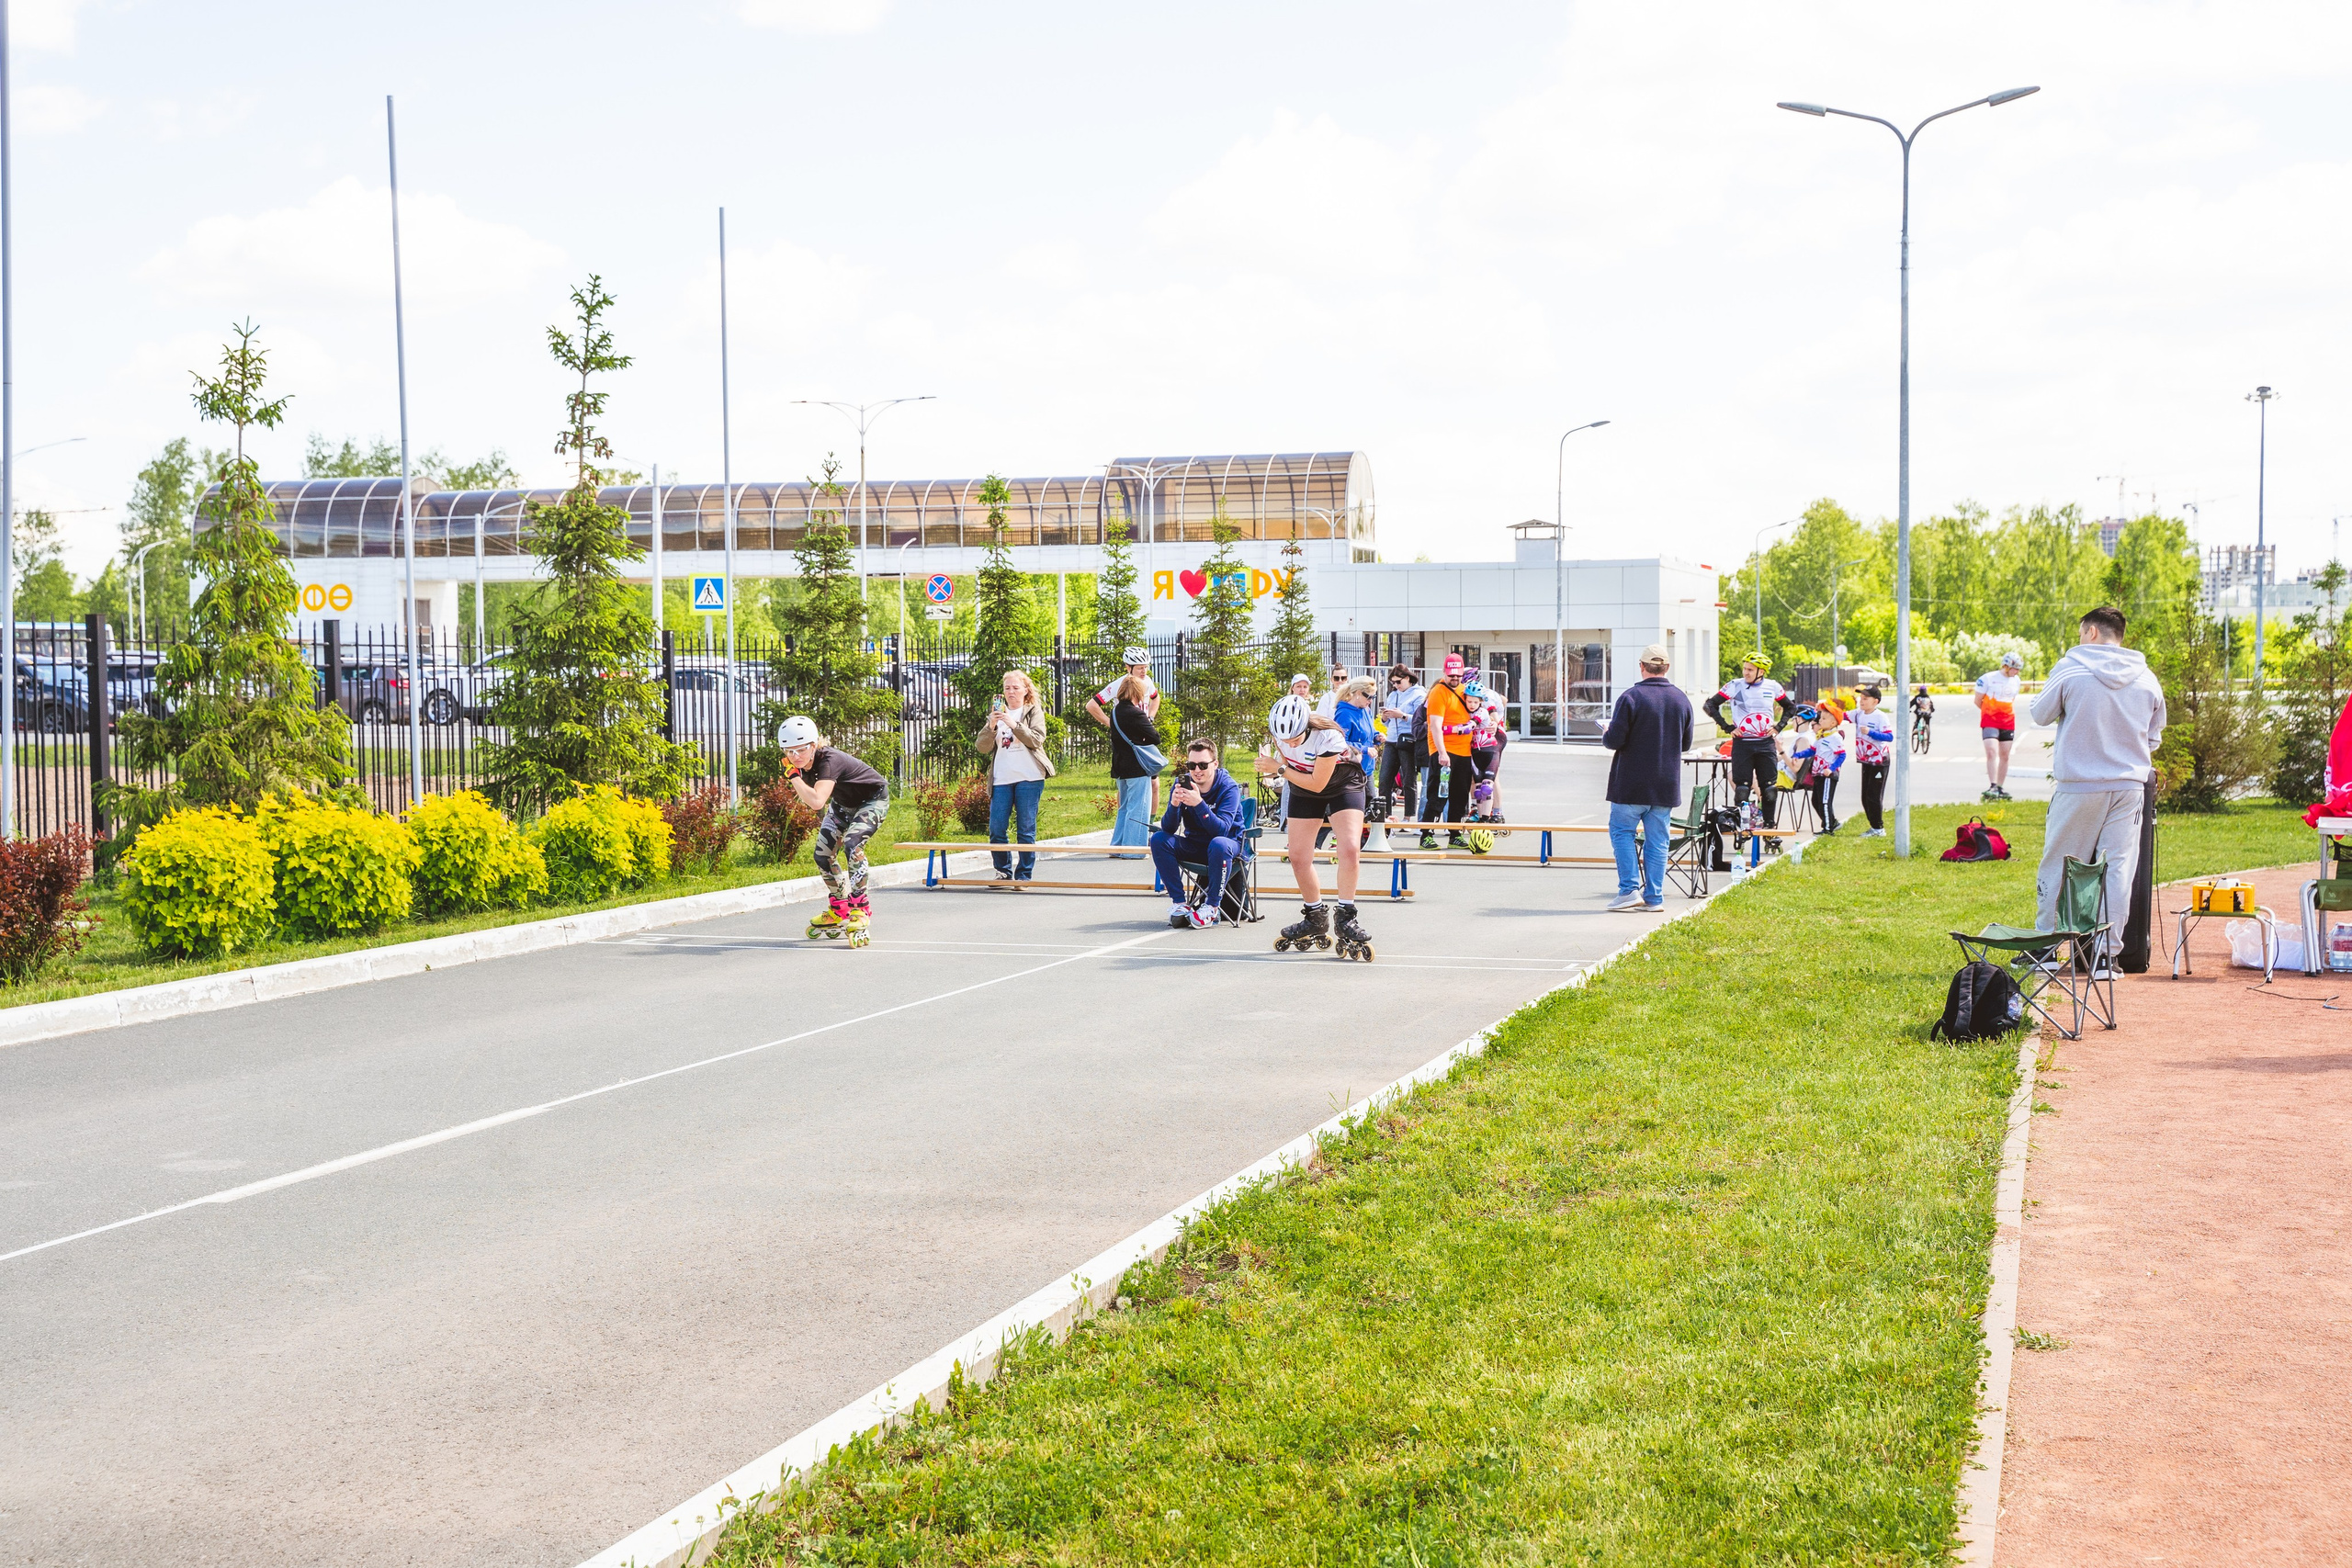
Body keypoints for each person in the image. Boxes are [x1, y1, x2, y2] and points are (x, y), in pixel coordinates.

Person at [2028, 607, 2167, 957]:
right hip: (2130, 787)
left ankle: (2046, 945)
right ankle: (2107, 954)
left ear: (2091, 632)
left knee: (2060, 863)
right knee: (2118, 868)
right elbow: (2154, 737)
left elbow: (2040, 713)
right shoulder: (2147, 678)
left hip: (2079, 785)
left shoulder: (2071, 668)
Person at [1257, 694, 1374, 959]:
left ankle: (1346, 916)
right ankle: (1315, 915)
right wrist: (1277, 770)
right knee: (1298, 856)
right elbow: (1289, 768)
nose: (1289, 743)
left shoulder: (1327, 737)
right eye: (1284, 740)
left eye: (1295, 739)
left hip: (1341, 783)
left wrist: (1278, 770)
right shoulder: (1280, 733)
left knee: (1349, 849)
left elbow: (1318, 784)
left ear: (1306, 726)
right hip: (1302, 784)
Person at [778, 715, 888, 946]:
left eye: (800, 750)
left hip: (872, 800)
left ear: (813, 745)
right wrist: (797, 775)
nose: (795, 757)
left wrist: (793, 777)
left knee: (852, 844)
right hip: (843, 805)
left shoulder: (829, 760)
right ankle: (840, 907)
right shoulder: (800, 763)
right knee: (822, 854)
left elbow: (817, 801)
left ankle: (860, 907)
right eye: (789, 752)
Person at [1600, 643, 1692, 911]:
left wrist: (1607, 731)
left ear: (1642, 667)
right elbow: (1685, 744)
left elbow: (1614, 740)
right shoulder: (1681, 699)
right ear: (1667, 668)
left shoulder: (1631, 697)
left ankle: (1629, 890)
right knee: (1658, 840)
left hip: (1630, 782)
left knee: (1622, 833)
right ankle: (1654, 898)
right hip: (1665, 784)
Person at [1148, 739, 1247, 930]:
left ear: (1215, 764)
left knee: (1218, 843)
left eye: (1203, 765)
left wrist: (1199, 804)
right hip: (1196, 845)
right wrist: (1175, 806)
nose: (1197, 770)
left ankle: (1211, 907)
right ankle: (1179, 904)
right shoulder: (1182, 783)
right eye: (1191, 765)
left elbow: (1222, 830)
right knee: (1159, 839)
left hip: (1228, 848)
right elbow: (1168, 828)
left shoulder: (1229, 788)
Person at [977, 667, 1056, 885]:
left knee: (1026, 828)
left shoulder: (1033, 712)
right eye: (1007, 688)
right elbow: (982, 747)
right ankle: (1002, 871)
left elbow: (1036, 740)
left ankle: (1023, 875)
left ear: (1025, 690)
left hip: (1029, 777)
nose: (1011, 692)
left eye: (1015, 688)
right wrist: (991, 726)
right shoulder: (996, 715)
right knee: (997, 828)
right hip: (1002, 778)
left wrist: (1014, 724)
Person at [1705, 654, 1793, 833]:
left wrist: (1778, 727)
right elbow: (1709, 705)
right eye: (1745, 668)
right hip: (1742, 744)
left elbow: (1791, 707)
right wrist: (1727, 727)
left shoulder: (1773, 686)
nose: (1746, 672)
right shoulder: (1735, 685)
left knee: (1769, 788)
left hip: (1765, 744)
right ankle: (1742, 825)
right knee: (1742, 789)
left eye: (1750, 670)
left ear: (1761, 671)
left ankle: (1769, 826)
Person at [1103, 671, 1162, 860]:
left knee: (1125, 807)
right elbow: (1155, 737)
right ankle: (1134, 850)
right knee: (1139, 807)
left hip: (1120, 766)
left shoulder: (1115, 711)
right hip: (1137, 767)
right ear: (1137, 693)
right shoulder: (1136, 713)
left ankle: (1118, 845)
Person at [1420, 653, 1476, 847]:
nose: (1455, 678)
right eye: (1451, 675)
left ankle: (1454, 834)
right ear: (1444, 672)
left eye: (1458, 675)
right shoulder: (1439, 692)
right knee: (1438, 794)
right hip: (1444, 751)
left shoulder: (1464, 690)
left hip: (1464, 752)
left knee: (1459, 796)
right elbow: (1435, 725)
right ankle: (1426, 835)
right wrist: (1442, 753)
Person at [1789, 702, 1848, 835]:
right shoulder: (1821, 736)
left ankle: (1828, 829)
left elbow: (1842, 756)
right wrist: (1798, 754)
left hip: (1828, 775)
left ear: (1833, 723)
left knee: (1825, 802)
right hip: (1818, 774)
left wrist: (1831, 769)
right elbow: (1812, 751)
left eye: (1824, 718)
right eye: (1820, 718)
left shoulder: (1835, 737)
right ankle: (1832, 822)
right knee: (1816, 801)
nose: (1820, 720)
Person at [1974, 649, 2026, 801]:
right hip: (1990, 720)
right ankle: (1993, 785)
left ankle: (2000, 787)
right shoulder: (1988, 678)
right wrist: (1990, 712)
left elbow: (2011, 700)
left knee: (2005, 754)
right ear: (2007, 666)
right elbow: (1978, 700)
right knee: (1991, 751)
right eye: (2015, 668)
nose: (2017, 672)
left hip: (2008, 720)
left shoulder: (2016, 681)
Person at [1377, 663, 1424, 820]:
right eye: (1393, 683)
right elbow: (1387, 722)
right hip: (1391, 740)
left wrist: (1402, 715)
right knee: (1384, 780)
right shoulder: (1393, 695)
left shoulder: (1418, 694)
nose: (1396, 685)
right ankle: (1386, 816)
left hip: (1408, 739)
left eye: (1399, 682)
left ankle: (1408, 817)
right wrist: (1385, 717)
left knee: (1408, 780)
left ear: (1408, 678)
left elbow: (1420, 720)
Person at [1851, 685, 1896, 837]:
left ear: (1875, 701)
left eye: (1865, 698)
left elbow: (1889, 737)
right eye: (1861, 698)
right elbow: (1841, 716)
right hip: (1866, 760)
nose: (1861, 701)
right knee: (1864, 797)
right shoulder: (1858, 714)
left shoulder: (1880, 716)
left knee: (1874, 795)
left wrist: (1871, 732)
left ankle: (1879, 828)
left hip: (1879, 761)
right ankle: (1874, 827)